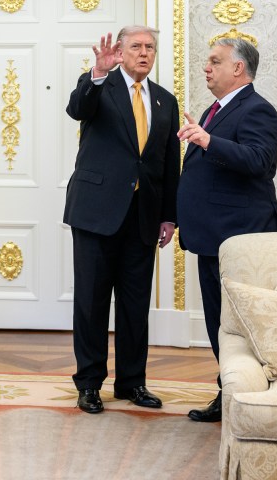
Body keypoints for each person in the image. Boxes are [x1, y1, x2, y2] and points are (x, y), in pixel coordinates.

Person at [64, 26, 179, 414]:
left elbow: (168, 163)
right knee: (91, 303)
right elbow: (77, 109)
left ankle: (132, 383)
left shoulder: (165, 100)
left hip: (143, 217)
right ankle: (89, 384)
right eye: (136, 46)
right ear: (120, 51)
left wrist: (169, 216)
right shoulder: (100, 85)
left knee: (135, 305)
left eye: (150, 47)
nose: (144, 53)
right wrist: (98, 72)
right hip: (96, 212)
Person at [176, 38, 277, 423]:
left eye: (215, 61)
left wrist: (208, 140)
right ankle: (231, 393)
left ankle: (250, 397)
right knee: (218, 322)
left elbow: (260, 162)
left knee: (240, 325)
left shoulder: (257, 109)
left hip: (241, 239)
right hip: (213, 237)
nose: (206, 68)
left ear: (238, 68)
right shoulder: (214, 110)